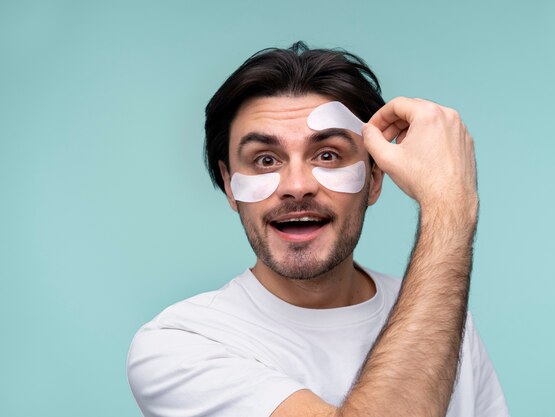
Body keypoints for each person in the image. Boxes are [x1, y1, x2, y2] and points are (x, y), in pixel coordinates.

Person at [127, 41, 509, 417]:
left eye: (327, 155)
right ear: (230, 185)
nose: (297, 185)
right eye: (264, 159)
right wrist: (450, 207)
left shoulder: (443, 318)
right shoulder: (179, 345)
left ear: (375, 177)